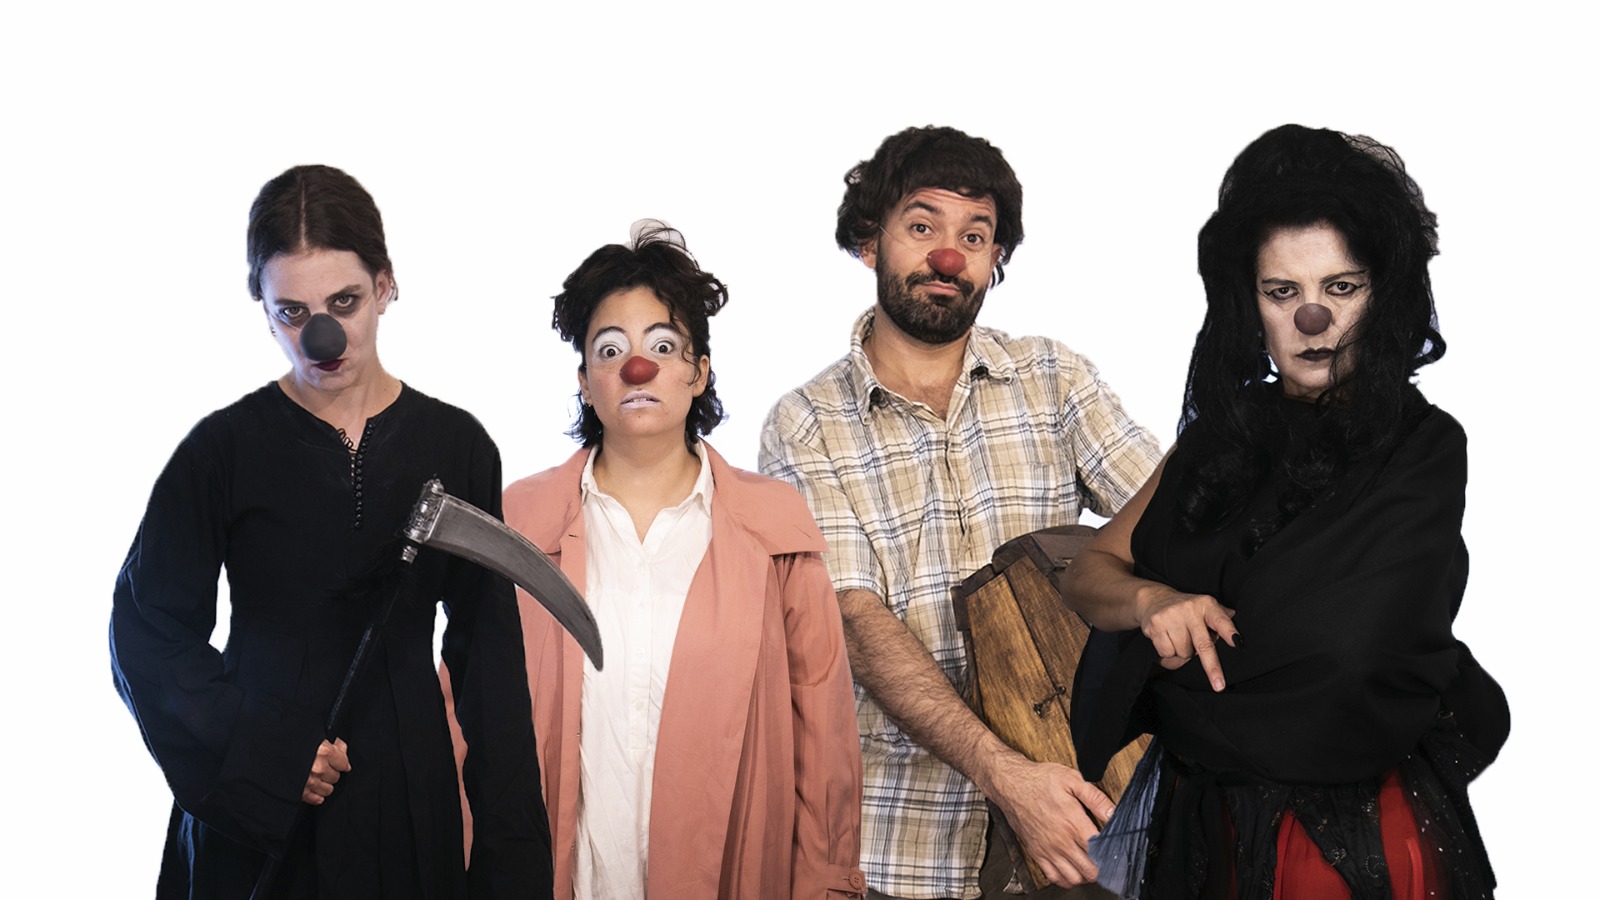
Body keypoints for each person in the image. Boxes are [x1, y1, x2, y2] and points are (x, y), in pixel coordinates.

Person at [1061, 125, 1509, 899]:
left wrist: (1181, 674)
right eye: (1283, 292)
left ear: (1382, 296)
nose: (1312, 319)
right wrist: (1151, 600)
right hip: (1208, 824)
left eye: (1342, 287)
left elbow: (1347, 660)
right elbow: (1089, 571)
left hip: (1352, 834)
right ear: (1252, 305)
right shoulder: (1220, 441)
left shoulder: (1423, 445)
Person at [110, 165, 552, 899]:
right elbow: (146, 632)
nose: (321, 338)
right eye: (292, 312)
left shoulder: (456, 446)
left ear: (385, 284)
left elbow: (490, 665)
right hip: (255, 811)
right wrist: (262, 752)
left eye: (344, 302)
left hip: (406, 804)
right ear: (262, 307)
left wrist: (511, 870)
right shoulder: (219, 452)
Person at [759, 126, 1161, 899]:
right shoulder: (805, 424)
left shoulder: (1055, 378)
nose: (949, 256)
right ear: (868, 241)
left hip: (1080, 838)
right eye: (923, 226)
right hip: (904, 853)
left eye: (974, 236)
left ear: (994, 258)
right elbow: (854, 621)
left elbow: (1174, 522)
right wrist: (1007, 777)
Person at [444, 221, 866, 899]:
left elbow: (823, 730)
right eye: (610, 350)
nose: (636, 368)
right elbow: (459, 712)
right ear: (585, 382)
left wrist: (826, 885)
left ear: (700, 372)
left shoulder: (774, 527)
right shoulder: (516, 522)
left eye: (663, 346)